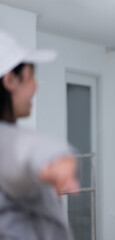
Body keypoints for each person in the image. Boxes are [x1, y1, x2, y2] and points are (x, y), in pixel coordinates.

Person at [0, 30, 79, 240]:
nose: (36, 85)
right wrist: (55, 158)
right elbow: (20, 148)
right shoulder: (9, 142)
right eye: (31, 74)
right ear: (10, 81)